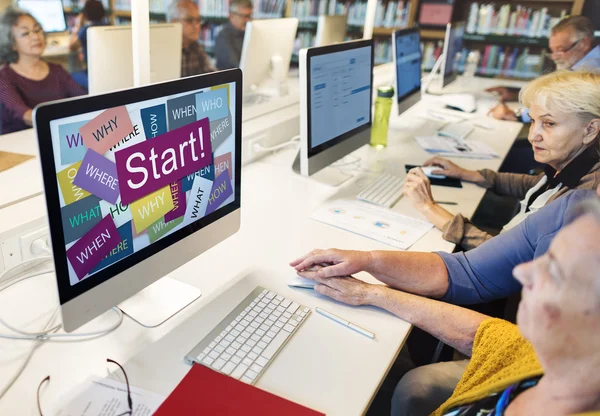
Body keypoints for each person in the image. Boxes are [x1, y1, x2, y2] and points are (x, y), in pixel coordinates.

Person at [290, 186, 600, 416]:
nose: (523, 271)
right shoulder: (551, 361)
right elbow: (491, 334)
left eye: (557, 270)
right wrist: (370, 281)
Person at [404, 70, 600, 250]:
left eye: (549, 123)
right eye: (533, 121)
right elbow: (539, 185)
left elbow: (504, 258)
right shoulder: (579, 166)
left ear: (590, 129)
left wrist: (429, 208)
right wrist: (469, 175)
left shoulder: (580, 201)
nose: (533, 136)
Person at [489, 16, 600, 121]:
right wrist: (515, 94)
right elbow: (557, 94)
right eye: (552, 51)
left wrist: (514, 114)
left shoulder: (591, 69)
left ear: (583, 44)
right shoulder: (582, 62)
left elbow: (558, 106)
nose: (554, 56)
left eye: (560, 49)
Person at [0, 7, 85, 135]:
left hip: (57, 137)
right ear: (11, 43)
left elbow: (82, 100)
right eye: (25, 33)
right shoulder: (4, 77)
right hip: (19, 147)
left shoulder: (57, 70)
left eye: (37, 29)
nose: (36, 36)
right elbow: (22, 114)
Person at [167, 0, 215, 78]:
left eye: (198, 20)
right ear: (173, 22)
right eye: (189, 20)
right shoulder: (164, 50)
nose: (196, 26)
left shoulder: (195, 46)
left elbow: (211, 74)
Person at [68, 0, 107, 89]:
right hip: (106, 71)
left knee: (71, 75)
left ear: (85, 15)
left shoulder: (87, 30)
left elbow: (71, 46)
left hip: (92, 73)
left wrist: (78, 25)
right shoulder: (109, 26)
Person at [214, 0, 253, 70]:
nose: (247, 20)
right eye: (243, 16)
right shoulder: (223, 36)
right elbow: (236, 67)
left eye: (249, 16)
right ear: (231, 16)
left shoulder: (248, 33)